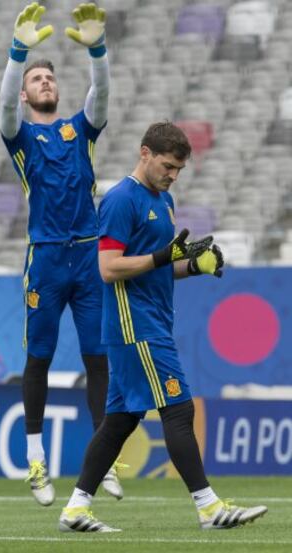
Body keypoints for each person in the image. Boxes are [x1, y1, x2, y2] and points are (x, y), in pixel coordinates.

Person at [58, 122, 268, 532]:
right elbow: (107, 268)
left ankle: (75, 509)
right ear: (145, 153)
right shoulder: (120, 200)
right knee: (178, 408)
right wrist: (160, 257)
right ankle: (208, 508)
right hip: (134, 325)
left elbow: (157, 266)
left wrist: (192, 266)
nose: (173, 175)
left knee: (120, 420)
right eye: (168, 166)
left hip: (151, 321)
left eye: (179, 170)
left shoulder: (164, 199)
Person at [0, 2, 123, 506]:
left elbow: (105, 96)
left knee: (99, 359)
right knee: (39, 360)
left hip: (88, 258)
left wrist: (97, 49)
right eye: (37, 79)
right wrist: (17, 54)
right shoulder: (21, 136)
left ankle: (103, 460)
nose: (45, 82)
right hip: (46, 259)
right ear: (27, 93)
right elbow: (4, 108)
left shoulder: (80, 131)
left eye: (49, 76)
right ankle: (36, 461)